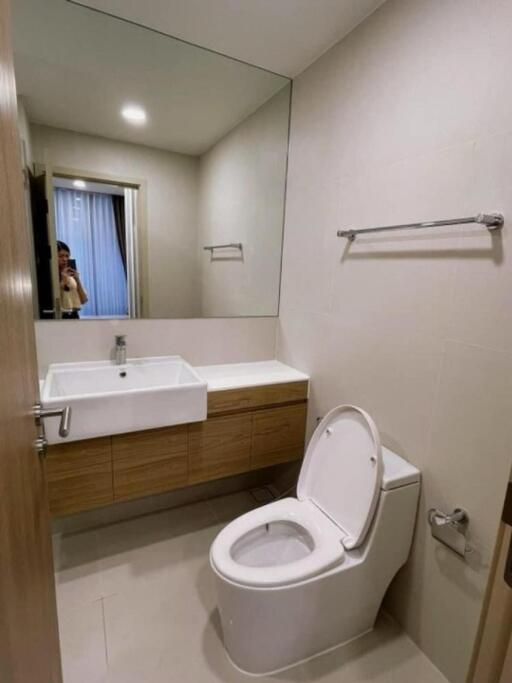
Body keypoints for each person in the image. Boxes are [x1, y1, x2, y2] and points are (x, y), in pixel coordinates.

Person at [57, 240, 88, 318]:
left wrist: (77, 280)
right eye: (61, 256)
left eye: (67, 256)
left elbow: (84, 300)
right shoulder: (52, 277)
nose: (65, 259)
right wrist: (63, 281)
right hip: (60, 316)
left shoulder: (71, 276)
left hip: (74, 315)